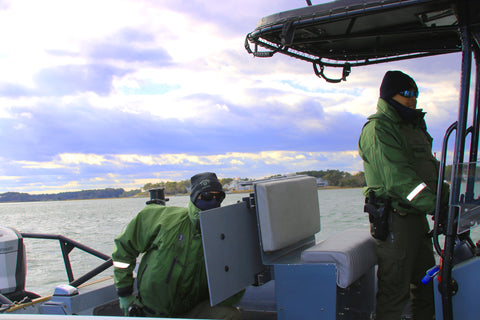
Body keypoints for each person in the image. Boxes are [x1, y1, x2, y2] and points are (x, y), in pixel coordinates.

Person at [358, 71, 447, 320]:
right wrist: (436, 205)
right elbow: (399, 179)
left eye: (415, 94)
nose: (412, 99)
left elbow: (429, 168)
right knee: (394, 290)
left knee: (426, 285)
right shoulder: (379, 129)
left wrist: (447, 197)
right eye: (406, 94)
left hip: (417, 217)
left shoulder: (412, 126)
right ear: (389, 96)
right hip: (396, 218)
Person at [112, 172, 242, 318]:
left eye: (218, 197)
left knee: (230, 316)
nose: (213, 201)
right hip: (152, 311)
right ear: (195, 197)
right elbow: (124, 249)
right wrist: (124, 293)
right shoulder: (164, 219)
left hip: (191, 309)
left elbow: (233, 274)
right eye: (206, 196)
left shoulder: (223, 233)